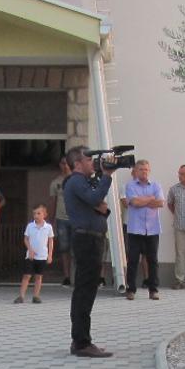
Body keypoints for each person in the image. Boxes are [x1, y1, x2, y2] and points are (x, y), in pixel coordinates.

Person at [64, 147, 114, 357]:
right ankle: (82, 342)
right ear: (77, 164)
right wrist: (107, 175)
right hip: (86, 240)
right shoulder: (76, 181)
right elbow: (95, 200)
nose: (92, 162)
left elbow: (98, 205)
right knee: (84, 291)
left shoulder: (83, 182)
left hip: (91, 238)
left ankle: (81, 340)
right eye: (88, 160)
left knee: (86, 290)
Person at [122, 159, 163, 300]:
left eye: (146, 169)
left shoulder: (156, 185)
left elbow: (160, 203)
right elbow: (134, 202)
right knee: (133, 260)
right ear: (136, 171)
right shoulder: (130, 186)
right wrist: (150, 199)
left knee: (153, 260)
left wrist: (143, 200)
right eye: (141, 169)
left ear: (149, 171)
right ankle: (131, 290)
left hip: (152, 229)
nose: (144, 172)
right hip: (135, 229)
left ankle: (153, 290)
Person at [15, 203, 54, 305]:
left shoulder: (48, 227)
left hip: (42, 256)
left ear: (44, 214)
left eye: (38, 213)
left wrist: (50, 255)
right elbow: (26, 239)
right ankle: (21, 296)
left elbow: (50, 241)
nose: (36, 216)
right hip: (31, 256)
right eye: (34, 213)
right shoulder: (30, 226)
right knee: (27, 275)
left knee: (38, 276)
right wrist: (30, 250)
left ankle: (36, 296)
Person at [50, 156, 74, 285]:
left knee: (77, 248)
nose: (65, 166)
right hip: (61, 219)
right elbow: (53, 202)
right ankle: (67, 276)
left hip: (76, 218)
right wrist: (51, 220)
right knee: (64, 248)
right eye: (62, 163)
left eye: (67, 163)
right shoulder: (55, 183)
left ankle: (77, 275)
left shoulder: (77, 180)